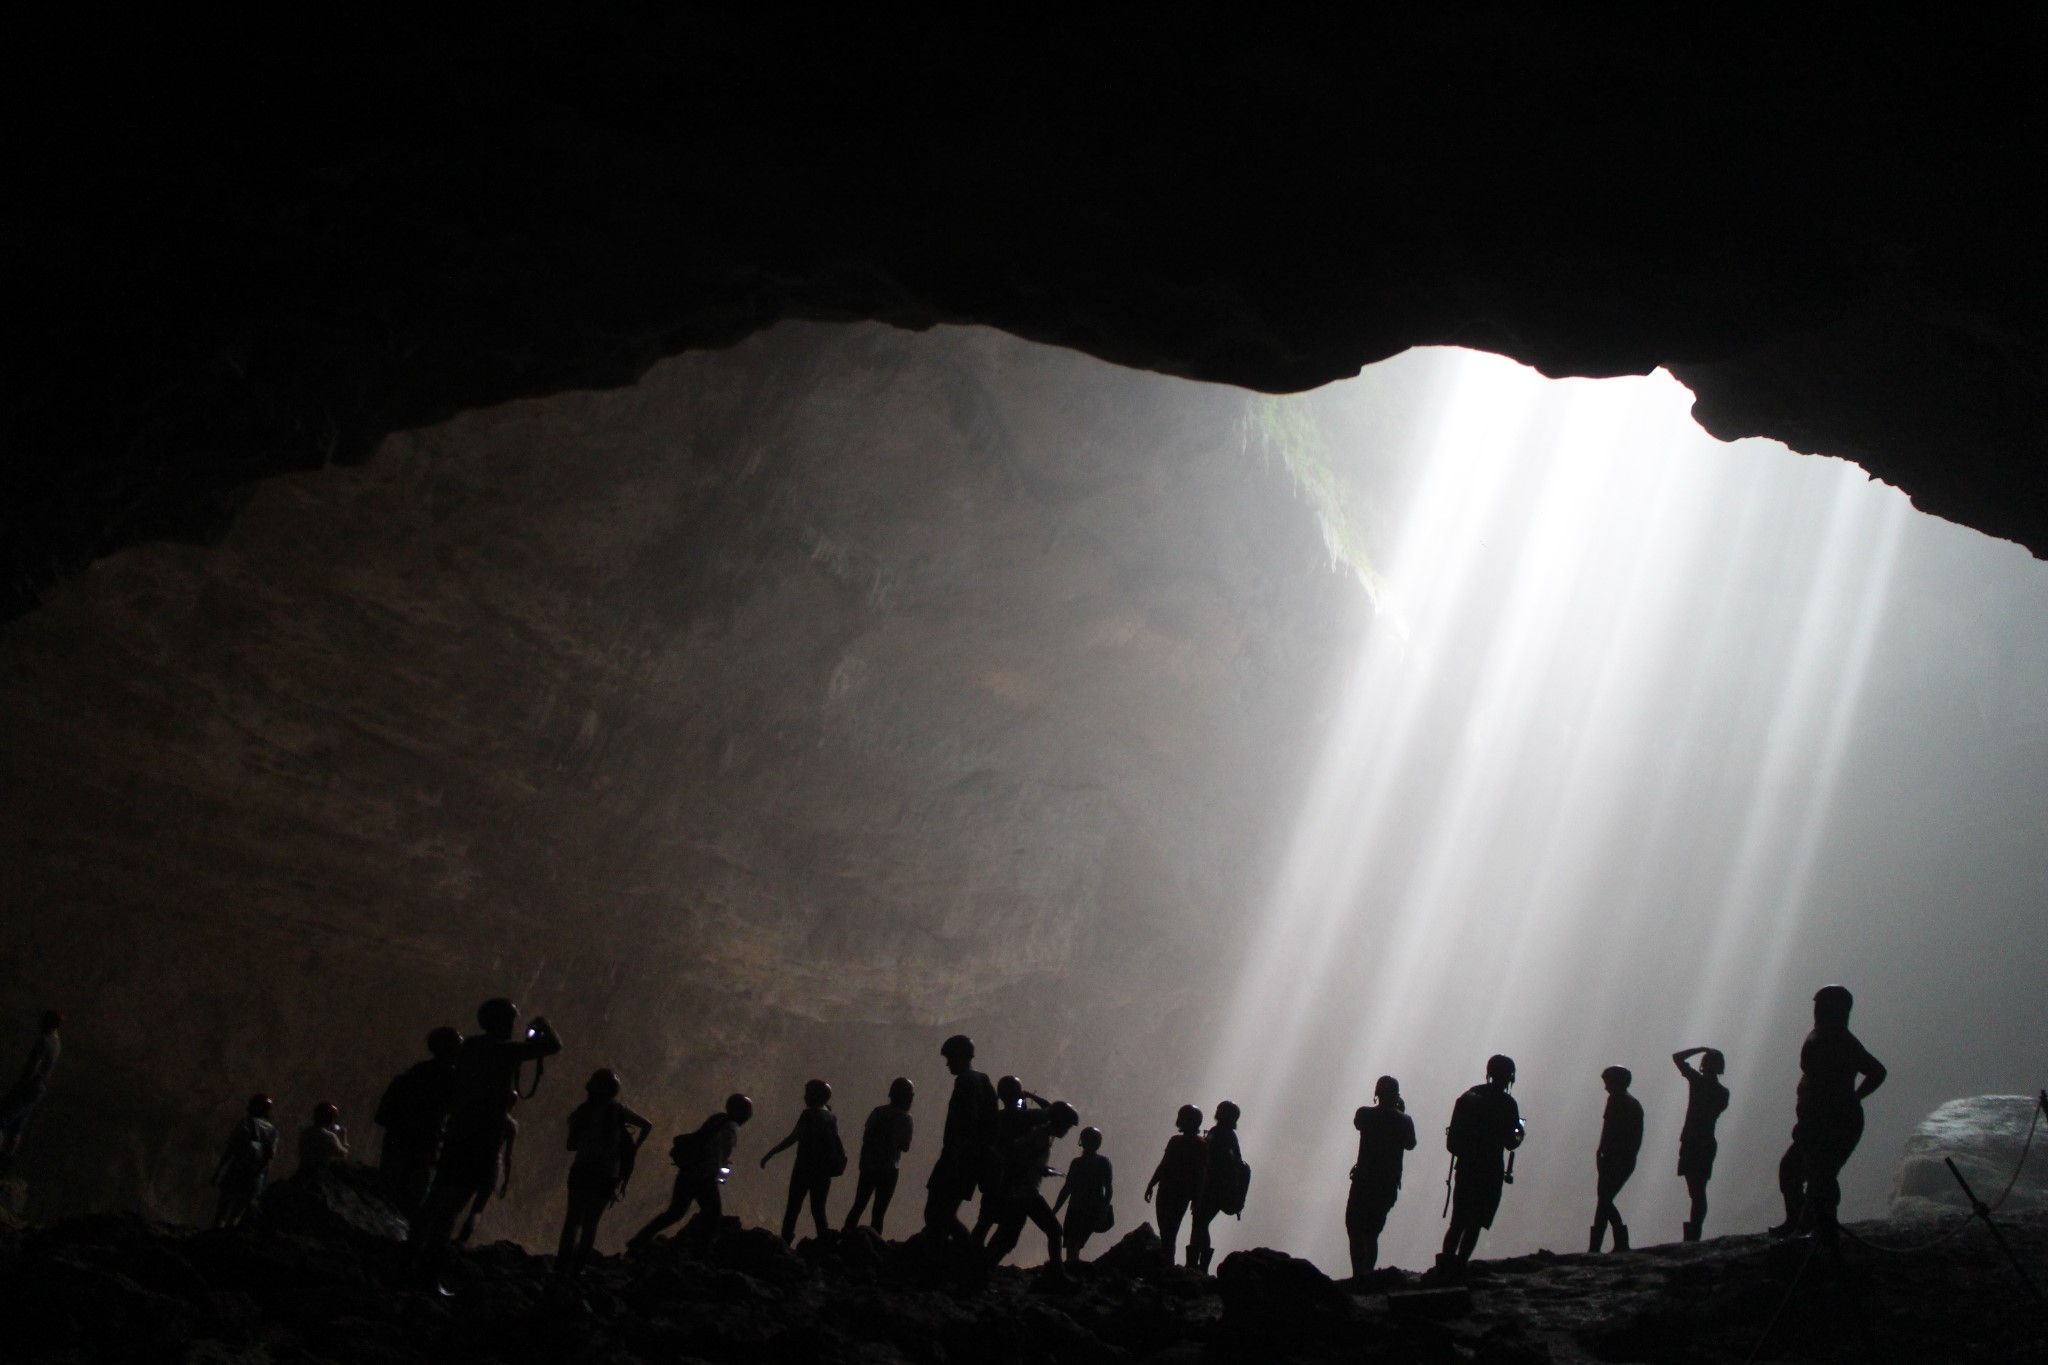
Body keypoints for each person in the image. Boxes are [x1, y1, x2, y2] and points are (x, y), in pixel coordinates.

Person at [413, 999, 560, 1278]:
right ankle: (429, 1271)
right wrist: (542, 1025)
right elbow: (553, 1046)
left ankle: (410, 1255)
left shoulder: (470, 1046)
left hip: (458, 1133)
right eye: (511, 1020)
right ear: (503, 1022)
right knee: (454, 1206)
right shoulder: (505, 1051)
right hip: (482, 1140)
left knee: (436, 1198)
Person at [1771, 985, 1886, 1248]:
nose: (1816, 1009)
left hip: (1831, 1120)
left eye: (1820, 1004)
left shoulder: (1838, 1038)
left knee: (1820, 1176)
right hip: (1821, 1119)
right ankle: (1801, 1222)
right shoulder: (1829, 1034)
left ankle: (1820, 1230)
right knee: (1794, 1170)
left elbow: (1876, 1071)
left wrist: (1852, 1098)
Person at [1435, 1055, 1525, 1280]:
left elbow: (1452, 1143)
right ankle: (1459, 1265)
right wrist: (1519, 1132)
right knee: (1475, 1222)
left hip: (1466, 1168)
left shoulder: (1468, 1098)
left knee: (1458, 1221)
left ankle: (1445, 1265)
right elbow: (1510, 1142)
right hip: (1490, 1169)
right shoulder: (1507, 1104)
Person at [627, 1093, 754, 1250]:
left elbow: (704, 1141)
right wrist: (716, 1172)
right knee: (712, 1217)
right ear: (740, 1112)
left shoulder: (717, 1119)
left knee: (674, 1213)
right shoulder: (730, 1128)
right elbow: (715, 1151)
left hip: (688, 1172)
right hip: (703, 1177)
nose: (749, 1115)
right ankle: (699, 1253)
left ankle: (638, 1241)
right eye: (747, 1111)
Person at [556, 1069, 652, 1276]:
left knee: (572, 1219)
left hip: (582, 1169)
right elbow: (646, 1125)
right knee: (591, 1222)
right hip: (607, 1174)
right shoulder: (618, 1111)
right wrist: (634, 1147)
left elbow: (570, 1145)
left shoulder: (583, 1112)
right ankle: (578, 1268)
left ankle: (561, 1266)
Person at [922, 1034, 998, 1256]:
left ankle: (958, 1262)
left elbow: (963, 1124)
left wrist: (954, 1160)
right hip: (970, 1162)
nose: (947, 1064)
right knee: (944, 1215)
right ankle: (965, 1262)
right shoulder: (983, 1081)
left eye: (950, 1058)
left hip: (957, 1160)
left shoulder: (965, 1081)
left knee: (937, 1215)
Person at [374, 1026, 462, 1216]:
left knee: (384, 1204)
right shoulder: (453, 1083)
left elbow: (381, 1117)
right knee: (412, 1207)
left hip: (395, 1146)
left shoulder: (406, 1079)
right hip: (424, 1150)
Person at [984, 1098, 1080, 1273]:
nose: (1066, 1131)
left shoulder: (1041, 1135)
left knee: (1007, 1237)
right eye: (1066, 1126)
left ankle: (981, 1270)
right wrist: (1041, 1169)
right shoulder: (1040, 1137)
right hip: (1025, 1192)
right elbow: (1021, 1158)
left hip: (1018, 1192)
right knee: (1054, 1231)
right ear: (1059, 1123)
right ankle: (1056, 1274)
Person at [1347, 1076, 1417, 1277]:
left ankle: (1359, 1274)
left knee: (1355, 1228)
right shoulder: (1403, 1121)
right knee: (1371, 1233)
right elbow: (1410, 1144)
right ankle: (1365, 1274)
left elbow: (1358, 1123)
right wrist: (1400, 1112)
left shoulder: (1365, 1115)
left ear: (1377, 1094)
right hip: (1385, 1185)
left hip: (1363, 1181)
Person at [760, 1078, 844, 1244]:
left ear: (815, 1096)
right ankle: (824, 1242)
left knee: (793, 1207)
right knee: (818, 1209)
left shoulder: (809, 1115)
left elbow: (793, 1138)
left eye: (808, 1093)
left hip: (804, 1167)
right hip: (823, 1170)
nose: (804, 1097)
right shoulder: (831, 1116)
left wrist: (772, 1153)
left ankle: (784, 1242)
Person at [843, 1077, 914, 1235]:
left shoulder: (877, 1112)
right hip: (890, 1168)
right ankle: (875, 1245)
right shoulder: (906, 1119)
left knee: (858, 1205)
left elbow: (866, 1137)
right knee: (879, 1213)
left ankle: (845, 1237)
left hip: (869, 1165)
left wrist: (864, 1162)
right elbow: (905, 1146)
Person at [1671, 1046, 1729, 1241]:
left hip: (1692, 1140)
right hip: (1706, 1141)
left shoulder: (1697, 1082)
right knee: (1698, 1191)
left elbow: (1677, 1057)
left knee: (1695, 1191)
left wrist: (1701, 1048)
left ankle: (1693, 1231)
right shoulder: (1723, 1093)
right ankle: (1695, 1229)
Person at [0, 1009, 62, 1178]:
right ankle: (5, 1164)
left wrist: (20, 1085)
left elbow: (33, 1066)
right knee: (17, 1126)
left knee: (3, 1118)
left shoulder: (44, 1041)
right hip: (39, 1089)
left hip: (29, 1086)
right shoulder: (57, 1043)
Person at [1187, 1100, 1247, 1273]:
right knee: (1202, 1223)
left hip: (1212, 1188)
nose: (1216, 1112)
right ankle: (1200, 1264)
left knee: (1199, 1222)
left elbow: (1208, 1160)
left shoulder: (1218, 1133)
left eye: (1220, 1110)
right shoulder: (1230, 1136)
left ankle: (1194, 1264)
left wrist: (1199, 1187)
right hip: (1222, 1189)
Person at [1589, 1066, 1643, 1253]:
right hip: (1626, 1159)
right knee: (1604, 1200)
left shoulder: (1616, 1101)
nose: (1606, 1088)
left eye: (1607, 1083)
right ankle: (1613, 1242)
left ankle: (1604, 1244)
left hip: (1614, 1158)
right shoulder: (1634, 1104)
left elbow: (1608, 1129)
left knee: (1604, 1200)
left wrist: (1600, 1152)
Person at [1144, 1104, 1206, 1265]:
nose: (1179, 1120)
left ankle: (1167, 1264)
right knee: (1168, 1231)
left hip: (1173, 1193)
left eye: (1182, 1117)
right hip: (1174, 1193)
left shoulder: (1196, 1145)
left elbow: (1199, 1174)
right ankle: (1167, 1264)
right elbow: (1165, 1164)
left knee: (1169, 1232)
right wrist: (1151, 1184)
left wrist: (1152, 1184)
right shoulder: (1191, 1143)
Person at [455, 1093, 518, 1246]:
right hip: (492, 1166)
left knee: (461, 1200)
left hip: (476, 1160)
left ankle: (442, 1233)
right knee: (477, 1209)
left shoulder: (488, 1114)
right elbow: (508, 1156)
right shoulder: (511, 1125)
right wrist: (506, 1180)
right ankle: (461, 1241)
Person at [212, 1093, 280, 1228]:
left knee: (223, 1212)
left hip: (237, 1170)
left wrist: (218, 1171)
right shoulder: (273, 1132)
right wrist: (263, 1183)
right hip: (255, 1177)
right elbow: (269, 1159)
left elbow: (231, 1149)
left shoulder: (246, 1123)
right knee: (237, 1215)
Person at [1052, 1125, 1114, 1264]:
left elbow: (1108, 1190)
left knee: (1073, 1244)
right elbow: (1067, 1188)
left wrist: (1102, 1212)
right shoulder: (1079, 1163)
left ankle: (1072, 1270)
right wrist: (1055, 1210)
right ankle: (1073, 1271)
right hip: (1076, 1209)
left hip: (1087, 1210)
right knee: (1072, 1246)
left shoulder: (1100, 1163)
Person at [296, 1102, 349, 1178]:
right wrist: (344, 1139)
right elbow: (343, 1155)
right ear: (330, 1119)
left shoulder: (305, 1132)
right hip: (319, 1177)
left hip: (302, 1174)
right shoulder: (329, 1136)